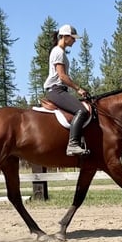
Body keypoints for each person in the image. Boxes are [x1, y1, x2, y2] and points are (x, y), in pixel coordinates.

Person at [44, 24, 90, 156]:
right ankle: (73, 145)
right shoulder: (58, 52)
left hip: (59, 90)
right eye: (73, 38)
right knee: (81, 111)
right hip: (56, 90)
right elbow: (62, 76)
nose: (74, 41)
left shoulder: (60, 51)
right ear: (65, 37)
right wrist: (78, 89)